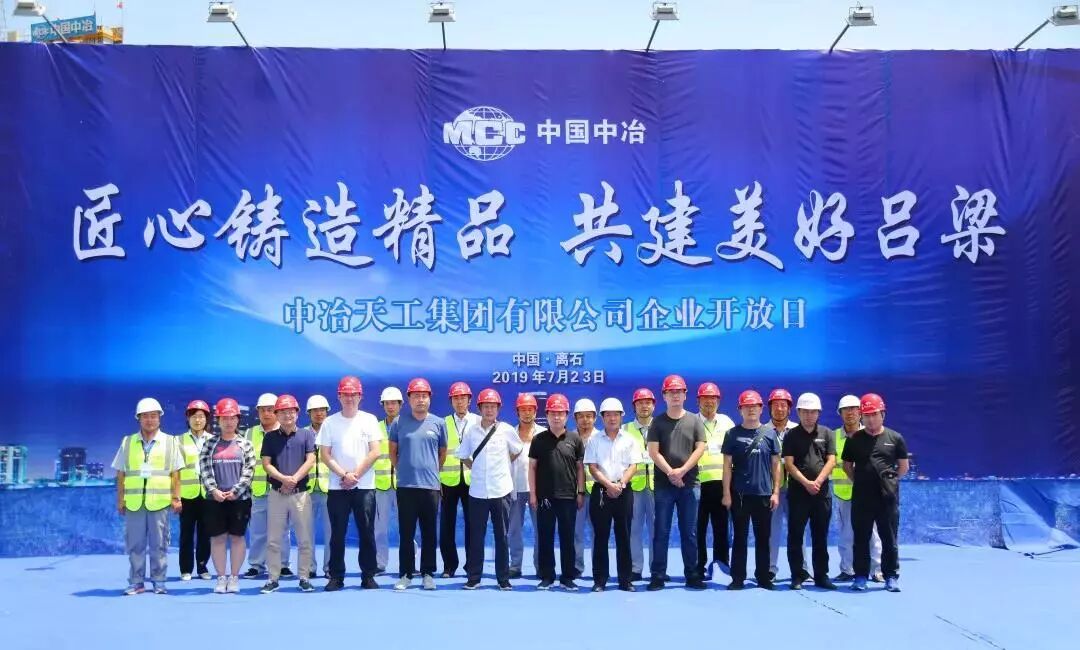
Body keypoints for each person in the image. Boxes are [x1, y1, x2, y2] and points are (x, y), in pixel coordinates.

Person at [318, 375, 384, 591]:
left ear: (360, 396)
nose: (349, 398)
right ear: (339, 396)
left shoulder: (369, 420)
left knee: (367, 533)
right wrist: (344, 475)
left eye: (353, 394)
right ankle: (336, 576)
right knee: (337, 534)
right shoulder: (330, 422)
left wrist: (355, 475)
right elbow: (325, 454)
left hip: (364, 486)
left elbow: (375, 451)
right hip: (338, 487)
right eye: (345, 394)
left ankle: (368, 575)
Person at [113, 398, 184, 595]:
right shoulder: (128, 442)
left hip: (159, 502)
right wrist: (120, 499)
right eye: (145, 416)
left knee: (159, 544)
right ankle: (136, 582)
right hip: (134, 503)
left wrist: (176, 498)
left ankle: (159, 581)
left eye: (153, 416)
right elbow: (121, 474)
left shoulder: (170, 442)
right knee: (135, 544)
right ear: (139, 418)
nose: (150, 420)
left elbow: (176, 474)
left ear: (160, 418)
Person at [842, 393, 909, 593]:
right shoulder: (854, 439)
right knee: (861, 538)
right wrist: (861, 481)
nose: (871, 419)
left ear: (883, 414)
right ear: (861, 416)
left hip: (887, 499)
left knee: (889, 538)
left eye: (875, 415)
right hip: (862, 498)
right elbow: (847, 466)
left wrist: (889, 482)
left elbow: (903, 467)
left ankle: (891, 576)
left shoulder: (895, 438)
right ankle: (860, 576)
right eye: (867, 415)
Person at [647, 374, 708, 591]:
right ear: (664, 396)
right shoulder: (657, 422)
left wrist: (682, 471)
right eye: (671, 392)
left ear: (685, 395)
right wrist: (671, 472)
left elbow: (700, 448)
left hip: (690, 485)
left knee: (689, 532)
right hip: (664, 486)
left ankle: (692, 574)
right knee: (661, 531)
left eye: (679, 392)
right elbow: (653, 452)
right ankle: (657, 575)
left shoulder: (694, 421)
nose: (675, 395)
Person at [458, 388, 523, 590]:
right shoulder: (471, 431)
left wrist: (503, 465)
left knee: (501, 536)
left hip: (500, 490)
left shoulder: (506, 430)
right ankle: (474, 578)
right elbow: (464, 455)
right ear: (479, 408)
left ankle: (503, 579)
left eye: (493, 406)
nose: (489, 410)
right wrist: (477, 468)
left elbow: (517, 450)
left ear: (498, 408)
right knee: (476, 536)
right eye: (485, 406)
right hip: (477, 491)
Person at [389, 378, 447, 591]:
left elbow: (442, 453)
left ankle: (428, 573)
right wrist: (404, 469)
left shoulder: (438, 423)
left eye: (424, 396)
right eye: (416, 396)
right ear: (409, 399)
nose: (420, 400)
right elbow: (392, 452)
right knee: (406, 533)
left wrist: (430, 470)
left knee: (429, 532)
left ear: (429, 398)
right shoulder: (398, 422)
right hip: (406, 486)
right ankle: (405, 574)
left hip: (430, 487)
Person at [721, 390, 781, 590]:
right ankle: (737, 578)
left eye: (754, 406)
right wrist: (726, 494)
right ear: (740, 410)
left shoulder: (770, 434)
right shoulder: (732, 434)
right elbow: (726, 466)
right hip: (739, 495)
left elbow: (776, 465)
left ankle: (763, 577)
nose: (751, 410)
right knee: (739, 537)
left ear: (761, 409)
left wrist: (776, 492)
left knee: (763, 538)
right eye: (747, 407)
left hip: (764, 494)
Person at [260, 394, 317, 594]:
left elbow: (311, 460)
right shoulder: (270, 437)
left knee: (304, 539)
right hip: (277, 493)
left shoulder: (306, 435)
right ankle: (273, 578)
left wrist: (294, 479)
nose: (287, 415)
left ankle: (304, 577)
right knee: (274, 540)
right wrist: (283, 479)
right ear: (277, 414)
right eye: (283, 412)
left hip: (300, 494)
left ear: (297, 413)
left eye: (291, 411)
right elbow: (266, 464)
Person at [200, 398, 257, 594]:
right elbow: (205, 469)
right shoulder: (210, 444)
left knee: (237, 538)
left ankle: (234, 577)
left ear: (238, 419)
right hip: (214, 500)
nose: (229, 422)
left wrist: (235, 491)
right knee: (217, 538)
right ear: (218, 420)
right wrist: (214, 490)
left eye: (232, 418)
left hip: (239, 500)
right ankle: (221, 577)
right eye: (224, 418)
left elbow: (249, 471)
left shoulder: (245, 444)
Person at [529, 393, 585, 590]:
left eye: (560, 413)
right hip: (544, 497)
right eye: (553, 413)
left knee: (568, 538)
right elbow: (532, 468)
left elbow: (580, 468)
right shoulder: (538, 440)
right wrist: (533, 494)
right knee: (545, 537)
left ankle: (567, 577)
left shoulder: (575, 439)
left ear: (567, 416)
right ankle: (547, 576)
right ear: (547, 415)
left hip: (568, 497)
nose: (556, 417)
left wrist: (580, 492)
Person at [585, 398, 642, 592]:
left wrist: (621, 484)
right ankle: (600, 580)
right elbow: (592, 467)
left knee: (624, 535)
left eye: (615, 414)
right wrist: (608, 485)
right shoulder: (594, 440)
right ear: (602, 417)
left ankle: (625, 580)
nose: (612, 418)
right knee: (600, 536)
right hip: (601, 491)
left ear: (621, 416)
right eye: (608, 415)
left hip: (623, 490)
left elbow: (633, 465)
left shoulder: (629, 439)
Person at [782, 393, 837, 590]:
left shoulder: (827, 433)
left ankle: (822, 576)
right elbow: (789, 464)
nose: (808, 415)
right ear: (798, 412)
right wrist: (806, 483)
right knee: (795, 535)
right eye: (805, 411)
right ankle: (797, 576)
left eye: (813, 411)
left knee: (820, 536)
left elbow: (831, 460)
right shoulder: (791, 435)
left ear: (818, 413)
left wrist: (818, 481)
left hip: (821, 494)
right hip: (798, 493)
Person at [832, 394, 883, 582]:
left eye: (854, 409)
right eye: (845, 409)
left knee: (873, 533)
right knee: (846, 533)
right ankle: (847, 569)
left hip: (868, 494)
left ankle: (877, 570)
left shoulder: (870, 434)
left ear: (861, 412)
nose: (850, 413)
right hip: (844, 494)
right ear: (840, 413)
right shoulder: (833, 437)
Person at [243, 393, 291, 579]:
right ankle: (256, 565)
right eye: (262, 410)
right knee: (257, 530)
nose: (266, 413)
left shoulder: (286, 431)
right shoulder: (249, 433)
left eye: (270, 410)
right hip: (258, 490)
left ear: (277, 411)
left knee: (282, 530)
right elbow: (244, 462)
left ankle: (283, 564)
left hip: (281, 489)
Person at [694, 382, 736, 578]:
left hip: (722, 484)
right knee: (697, 528)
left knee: (721, 527)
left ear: (718, 401)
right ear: (698, 401)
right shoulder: (691, 421)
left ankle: (722, 563)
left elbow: (734, 452)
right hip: (697, 484)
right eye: (705, 398)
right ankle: (698, 566)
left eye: (713, 398)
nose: (709, 402)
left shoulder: (727, 422)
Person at [440, 381, 479, 577]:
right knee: (447, 524)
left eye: (463, 398)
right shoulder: (443, 423)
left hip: (474, 481)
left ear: (469, 400)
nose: (460, 401)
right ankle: (449, 566)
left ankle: (472, 565)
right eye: (456, 398)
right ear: (451, 401)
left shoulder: (479, 421)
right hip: (448, 481)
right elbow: (437, 453)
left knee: (473, 525)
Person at [764, 388, 801, 582]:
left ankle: (802, 569)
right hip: (772, 490)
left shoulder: (798, 431)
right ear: (769, 408)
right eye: (776, 405)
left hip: (796, 489)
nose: (779, 409)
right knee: (772, 530)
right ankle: (770, 568)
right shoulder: (762, 431)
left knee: (798, 529)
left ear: (789, 408)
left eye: (783, 405)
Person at [623, 387, 656, 582]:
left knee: (656, 530)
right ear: (634, 406)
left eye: (648, 402)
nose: (644, 406)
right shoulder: (625, 429)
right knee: (633, 530)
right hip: (633, 487)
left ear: (653, 405)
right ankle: (635, 568)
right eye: (640, 403)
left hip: (657, 486)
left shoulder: (661, 426)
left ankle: (656, 568)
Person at [178, 400, 212, 581]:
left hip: (208, 494)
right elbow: (174, 471)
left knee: (206, 533)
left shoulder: (213, 440)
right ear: (188, 418)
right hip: (187, 494)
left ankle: (202, 567)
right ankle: (185, 569)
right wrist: (175, 496)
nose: (198, 420)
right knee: (186, 533)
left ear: (206, 419)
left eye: (201, 417)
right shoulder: (178, 441)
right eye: (194, 417)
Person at [509, 392, 542, 579]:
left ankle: (540, 566)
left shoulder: (543, 434)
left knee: (541, 529)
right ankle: (515, 566)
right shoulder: (509, 434)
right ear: (517, 412)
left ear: (535, 411)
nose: (527, 413)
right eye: (523, 409)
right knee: (514, 530)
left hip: (538, 489)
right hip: (515, 488)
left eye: (530, 409)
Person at [374, 386, 404, 575]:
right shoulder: (375, 427)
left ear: (400, 405)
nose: (390, 406)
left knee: (407, 526)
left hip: (404, 484)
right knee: (379, 528)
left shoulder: (408, 425)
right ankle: (379, 563)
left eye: (394, 403)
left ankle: (408, 563)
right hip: (381, 484)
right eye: (387, 403)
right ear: (383, 405)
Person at [305, 394, 332, 579]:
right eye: (315, 410)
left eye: (322, 410)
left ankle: (330, 567)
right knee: (306, 532)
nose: (319, 413)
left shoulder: (334, 431)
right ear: (309, 413)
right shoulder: (301, 434)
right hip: (306, 489)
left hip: (330, 488)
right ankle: (309, 567)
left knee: (332, 531)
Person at [572, 397, 598, 580]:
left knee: (598, 532)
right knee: (576, 532)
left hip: (597, 492)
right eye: (581, 416)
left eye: (589, 416)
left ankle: (598, 568)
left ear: (595, 418)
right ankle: (576, 566)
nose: (585, 420)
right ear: (575, 418)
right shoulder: (569, 438)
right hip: (575, 494)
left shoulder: (602, 437)